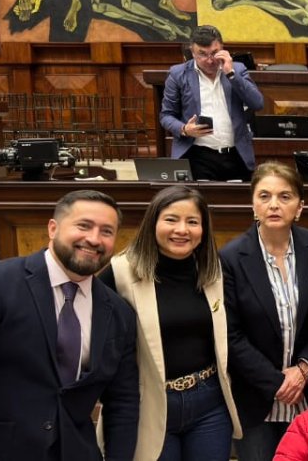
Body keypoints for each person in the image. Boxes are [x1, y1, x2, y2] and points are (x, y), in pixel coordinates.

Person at [0, 190, 139, 461]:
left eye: (106, 231)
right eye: (83, 225)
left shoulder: (118, 312)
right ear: (53, 228)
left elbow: (123, 402)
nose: (94, 239)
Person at [101, 185, 241, 460]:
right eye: (171, 219)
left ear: (203, 229)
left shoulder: (213, 270)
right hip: (151, 404)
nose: (182, 230)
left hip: (209, 402)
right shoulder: (121, 272)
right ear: (153, 222)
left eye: (193, 222)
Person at [220, 162, 308, 461]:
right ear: (253, 204)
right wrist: (278, 382)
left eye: (285, 196)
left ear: (300, 206)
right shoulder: (230, 258)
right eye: (264, 196)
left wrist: (304, 369)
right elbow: (231, 335)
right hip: (257, 399)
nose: (274, 205)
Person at [160, 24, 265, 181]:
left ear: (222, 49)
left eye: (214, 53)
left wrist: (231, 74)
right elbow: (166, 116)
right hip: (197, 156)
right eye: (202, 54)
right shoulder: (178, 74)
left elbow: (257, 103)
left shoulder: (237, 69)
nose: (209, 60)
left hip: (236, 155)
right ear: (192, 52)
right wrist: (184, 129)